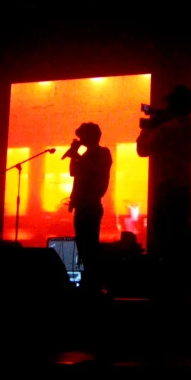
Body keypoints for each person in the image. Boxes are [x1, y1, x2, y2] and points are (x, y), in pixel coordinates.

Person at [136, 85, 191, 294]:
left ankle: (166, 290)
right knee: (178, 240)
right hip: (182, 190)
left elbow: (143, 150)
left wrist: (148, 128)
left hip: (166, 190)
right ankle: (180, 289)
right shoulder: (190, 131)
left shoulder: (167, 129)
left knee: (164, 240)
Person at [64, 122, 113, 294]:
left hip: (91, 204)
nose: (81, 140)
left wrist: (76, 154)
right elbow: (74, 172)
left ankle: (93, 282)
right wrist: (74, 156)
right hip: (82, 205)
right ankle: (88, 279)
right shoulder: (85, 155)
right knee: (82, 243)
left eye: (83, 136)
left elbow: (92, 172)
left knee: (89, 243)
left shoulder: (102, 153)